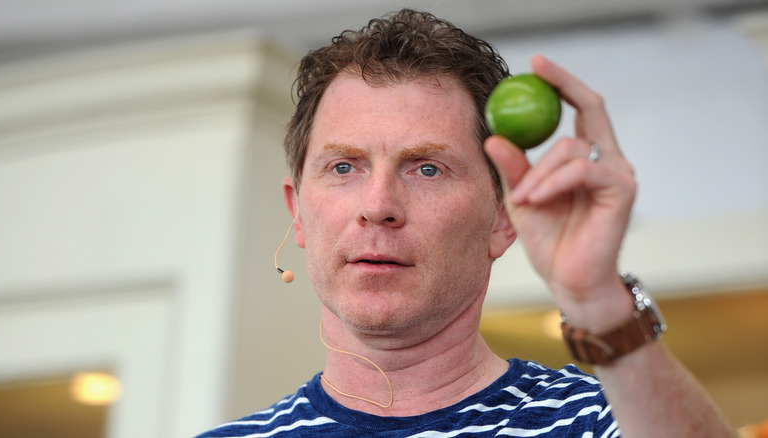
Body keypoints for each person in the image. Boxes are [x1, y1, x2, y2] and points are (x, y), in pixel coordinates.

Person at [197, 9, 736, 437]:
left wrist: (597, 301)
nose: (379, 204)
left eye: (427, 167)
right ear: (297, 212)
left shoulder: (601, 422)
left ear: (502, 219)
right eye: (345, 166)